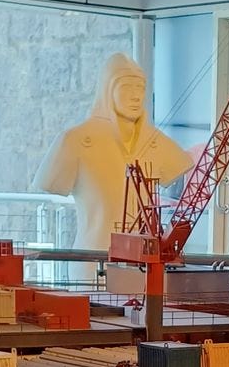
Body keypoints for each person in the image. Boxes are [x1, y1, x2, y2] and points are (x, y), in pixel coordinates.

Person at [34, 54, 193, 247]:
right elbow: (49, 182)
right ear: (107, 90)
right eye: (126, 87)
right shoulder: (74, 141)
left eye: (140, 88)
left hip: (141, 256)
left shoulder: (157, 142)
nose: (136, 96)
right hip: (93, 253)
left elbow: (180, 164)